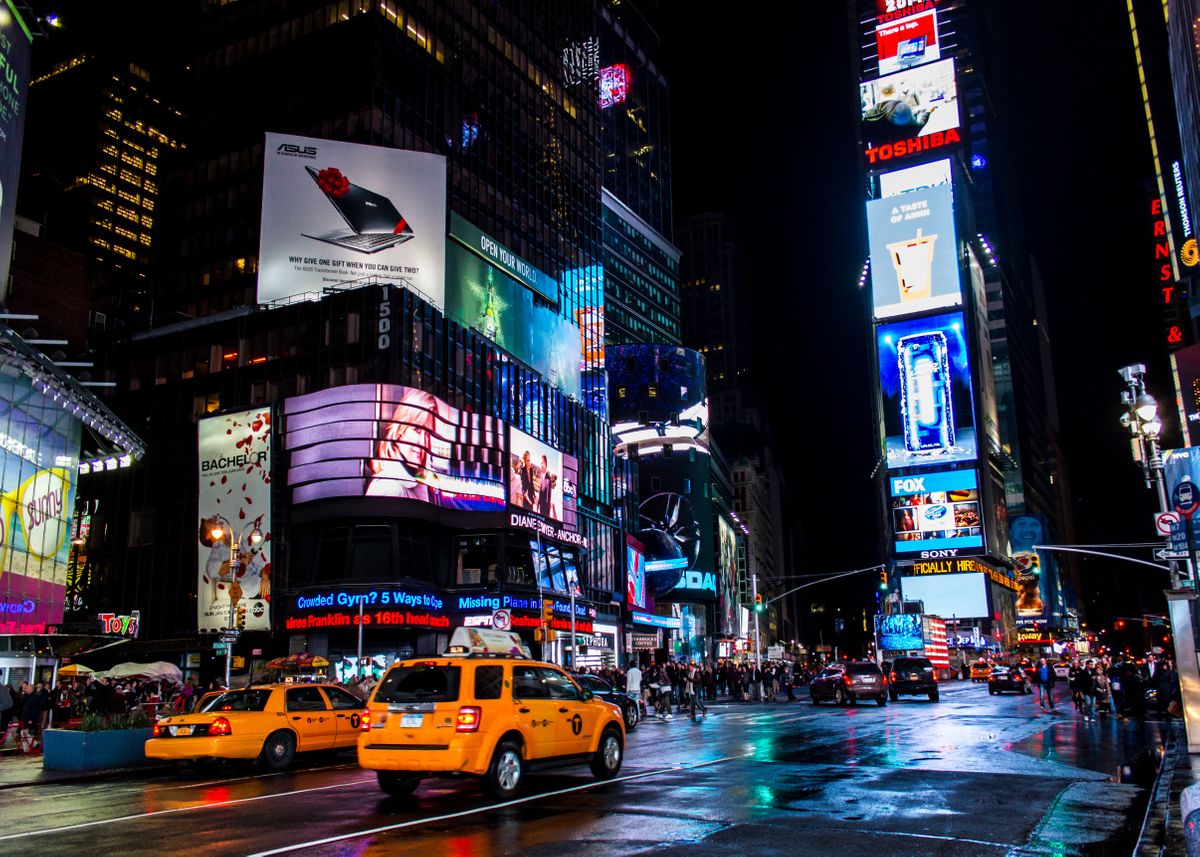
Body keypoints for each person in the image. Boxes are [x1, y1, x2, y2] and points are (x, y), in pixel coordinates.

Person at [366, 388, 439, 502]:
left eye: (428, 434)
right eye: (417, 430)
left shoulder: (421, 484)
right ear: (400, 430)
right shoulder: (388, 488)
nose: (424, 442)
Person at [536, 454, 557, 519]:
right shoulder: (541, 476)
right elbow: (540, 492)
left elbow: (548, 498)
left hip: (545, 511)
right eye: (541, 463)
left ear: (546, 464)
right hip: (541, 508)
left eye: (543, 463)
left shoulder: (548, 480)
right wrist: (538, 504)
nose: (541, 465)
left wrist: (546, 516)